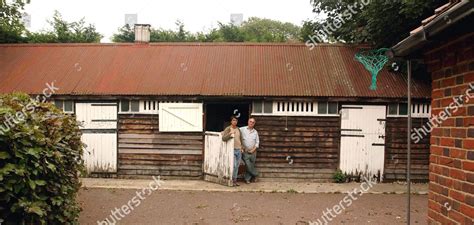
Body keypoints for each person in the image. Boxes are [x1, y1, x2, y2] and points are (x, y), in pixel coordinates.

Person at [221, 116, 243, 187]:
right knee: (234, 165)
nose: (235, 122)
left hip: (239, 149)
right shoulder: (228, 129)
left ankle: (235, 180)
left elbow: (241, 139)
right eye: (233, 120)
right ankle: (231, 180)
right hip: (232, 150)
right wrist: (230, 134)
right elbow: (224, 138)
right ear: (231, 121)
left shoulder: (238, 129)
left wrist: (242, 147)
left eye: (236, 121)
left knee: (237, 166)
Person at [240, 117, 259, 184]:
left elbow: (257, 143)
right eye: (250, 121)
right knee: (248, 165)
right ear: (248, 122)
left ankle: (247, 179)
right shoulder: (242, 129)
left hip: (253, 152)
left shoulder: (255, 132)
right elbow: (235, 130)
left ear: (254, 124)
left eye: (253, 122)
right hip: (245, 151)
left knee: (251, 165)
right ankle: (256, 174)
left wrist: (253, 150)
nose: (251, 123)